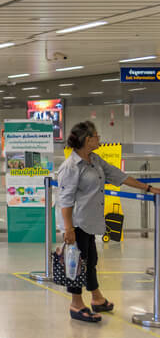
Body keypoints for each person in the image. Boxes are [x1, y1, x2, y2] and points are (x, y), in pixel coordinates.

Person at [57, 120, 155, 322]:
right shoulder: (71, 167)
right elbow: (65, 200)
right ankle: (76, 305)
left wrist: (148, 188)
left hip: (90, 220)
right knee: (77, 263)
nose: (99, 138)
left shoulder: (95, 160)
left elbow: (117, 175)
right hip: (76, 222)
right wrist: (68, 228)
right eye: (96, 136)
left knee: (91, 261)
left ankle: (97, 299)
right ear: (86, 140)